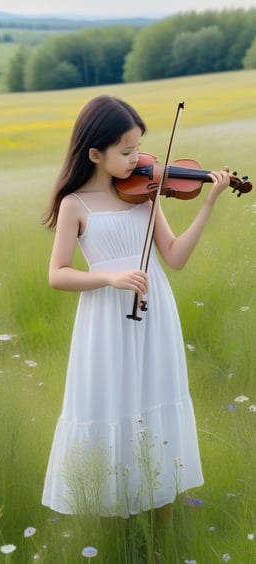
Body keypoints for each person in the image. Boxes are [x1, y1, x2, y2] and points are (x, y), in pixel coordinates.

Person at [41, 94, 230, 519]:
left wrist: (209, 202)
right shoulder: (75, 205)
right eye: (126, 151)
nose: (137, 159)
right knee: (113, 403)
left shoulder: (145, 195)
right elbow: (58, 273)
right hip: (106, 318)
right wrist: (110, 277)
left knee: (153, 396)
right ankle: (110, 509)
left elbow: (175, 257)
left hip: (153, 312)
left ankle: (157, 503)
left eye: (138, 147)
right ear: (95, 153)